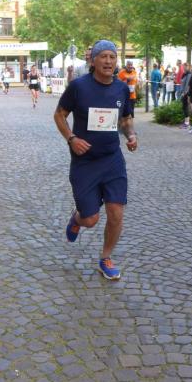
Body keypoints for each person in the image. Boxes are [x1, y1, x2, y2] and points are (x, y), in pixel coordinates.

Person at [54, 40, 137, 281]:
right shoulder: (79, 87)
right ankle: (77, 219)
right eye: (103, 56)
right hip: (85, 162)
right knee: (90, 219)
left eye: (112, 57)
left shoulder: (122, 89)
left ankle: (106, 258)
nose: (108, 61)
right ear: (93, 60)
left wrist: (131, 135)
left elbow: (126, 119)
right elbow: (59, 115)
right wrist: (71, 139)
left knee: (116, 213)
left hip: (112, 159)